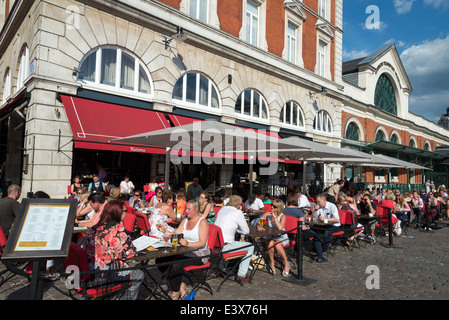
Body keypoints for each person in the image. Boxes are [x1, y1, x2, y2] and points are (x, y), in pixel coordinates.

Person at [83, 200, 144, 300]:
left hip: (90, 273)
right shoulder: (117, 229)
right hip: (105, 276)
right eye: (125, 210)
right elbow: (129, 254)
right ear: (119, 213)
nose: (126, 213)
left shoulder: (95, 228)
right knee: (138, 274)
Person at [156, 200, 210, 300]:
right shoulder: (185, 220)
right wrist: (164, 230)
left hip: (199, 255)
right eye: (186, 209)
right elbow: (176, 234)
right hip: (184, 252)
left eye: (189, 209)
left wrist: (188, 243)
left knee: (176, 265)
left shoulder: (202, 222)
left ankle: (175, 292)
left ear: (197, 209)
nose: (186, 211)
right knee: (160, 261)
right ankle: (180, 284)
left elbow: (202, 243)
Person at [214, 195, 254, 282]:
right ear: (239, 205)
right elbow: (245, 230)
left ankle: (222, 267)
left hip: (215, 245)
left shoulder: (222, 209)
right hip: (225, 247)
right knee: (250, 246)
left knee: (230, 241)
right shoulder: (238, 213)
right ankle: (241, 274)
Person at [283, 193, 327, 263]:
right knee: (316, 236)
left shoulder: (283, 210)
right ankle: (320, 257)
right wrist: (308, 227)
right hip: (298, 233)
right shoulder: (298, 212)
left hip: (287, 233)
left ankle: (296, 251)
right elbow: (302, 227)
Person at [261, 199, 290, 276]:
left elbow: (280, 228)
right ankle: (272, 262)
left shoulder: (282, 216)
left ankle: (286, 263)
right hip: (273, 236)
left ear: (279, 208)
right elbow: (259, 222)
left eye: (274, 206)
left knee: (277, 245)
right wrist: (260, 225)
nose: (272, 207)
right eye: (271, 205)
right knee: (270, 244)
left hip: (282, 236)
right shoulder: (268, 213)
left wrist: (275, 218)